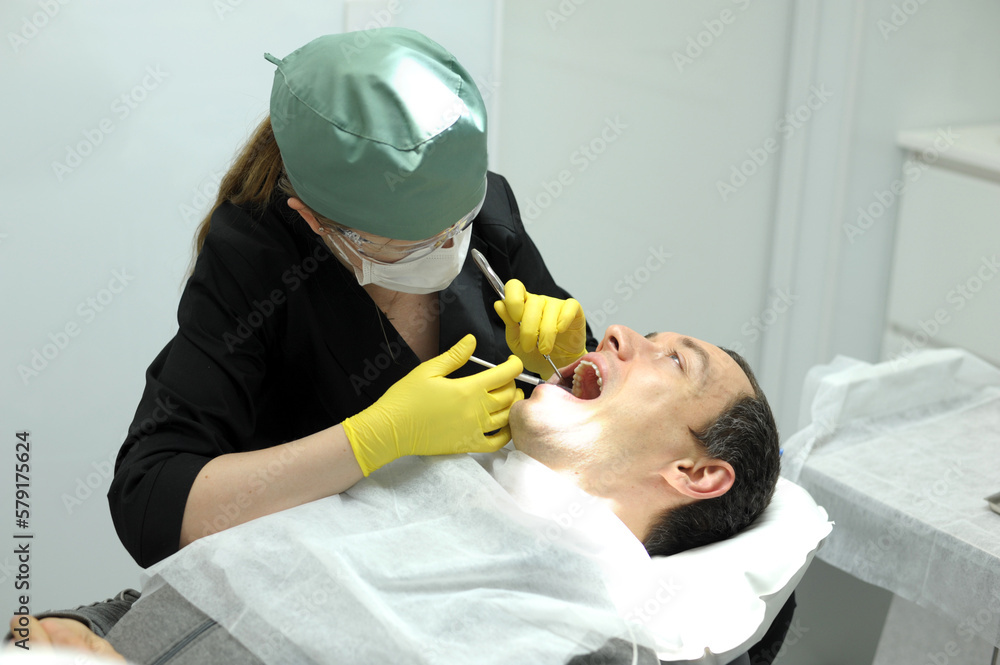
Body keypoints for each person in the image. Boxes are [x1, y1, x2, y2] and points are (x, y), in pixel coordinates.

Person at [109, 27, 596, 568]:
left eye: (458, 227)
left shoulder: (483, 209)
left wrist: (568, 364)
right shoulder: (256, 261)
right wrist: (371, 439)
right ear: (314, 221)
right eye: (409, 248)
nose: (449, 251)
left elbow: (597, 421)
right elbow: (150, 500)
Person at [15, 325, 780, 664]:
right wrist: (73, 626)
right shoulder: (425, 469)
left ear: (697, 473)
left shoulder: (584, 636)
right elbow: (205, 575)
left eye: (671, 361)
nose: (618, 332)